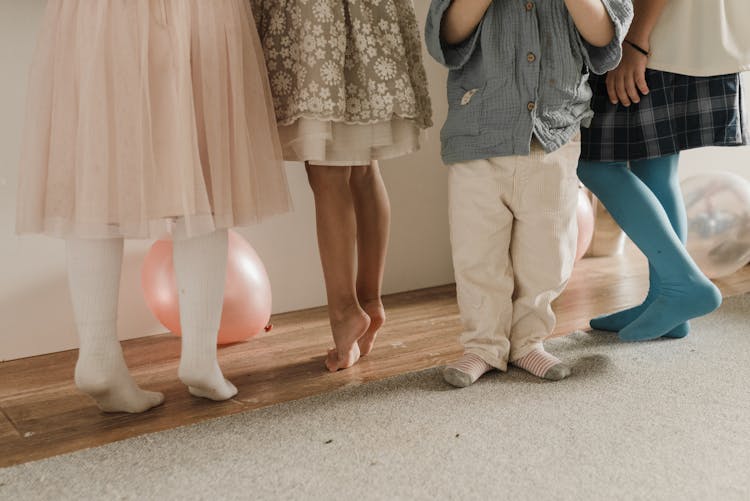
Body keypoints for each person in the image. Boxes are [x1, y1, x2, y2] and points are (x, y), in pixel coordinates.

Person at [16, 0, 291, 412]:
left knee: (99, 171)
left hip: (97, 14)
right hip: (198, 11)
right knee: (206, 169)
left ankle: (98, 354)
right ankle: (200, 357)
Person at [425, 0, 632, 387]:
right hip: (478, 134)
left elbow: (605, 36)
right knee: (478, 252)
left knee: (547, 253)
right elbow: (447, 34)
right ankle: (483, 345)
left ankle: (527, 342)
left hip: (553, 134)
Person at [251, 0, 433, 371]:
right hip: (369, 17)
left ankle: (345, 312)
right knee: (364, 166)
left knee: (327, 172)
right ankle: (369, 300)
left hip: (317, 17)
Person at [577, 0, 750, 341]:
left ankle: (682, 285)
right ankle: (664, 301)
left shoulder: (641, 41)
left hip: (654, 43)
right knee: (655, 171)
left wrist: (634, 42)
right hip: (680, 42)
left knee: (594, 164)